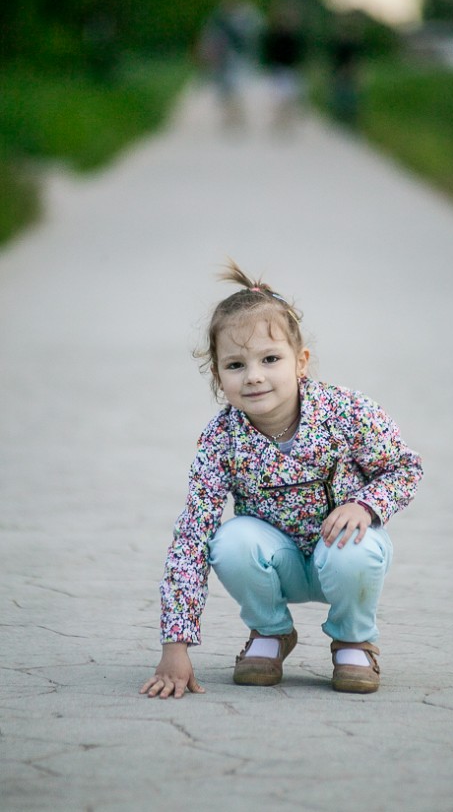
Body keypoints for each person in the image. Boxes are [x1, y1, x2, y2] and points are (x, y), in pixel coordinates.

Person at [140, 260, 423, 699]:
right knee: (229, 540)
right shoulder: (221, 439)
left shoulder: (347, 411)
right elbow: (192, 534)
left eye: (270, 359)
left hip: (343, 554)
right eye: (236, 364)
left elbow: (404, 467)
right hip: (276, 562)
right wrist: (174, 646)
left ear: (300, 362)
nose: (254, 375)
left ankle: (353, 639)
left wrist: (365, 505)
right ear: (218, 376)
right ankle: (270, 632)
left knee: (357, 547)